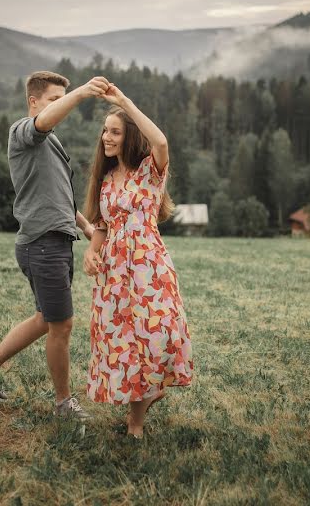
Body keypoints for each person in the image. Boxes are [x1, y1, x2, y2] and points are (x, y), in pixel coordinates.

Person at [0, 71, 109, 421]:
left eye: (62, 98)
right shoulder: (23, 132)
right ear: (34, 102)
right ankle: (63, 405)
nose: (59, 105)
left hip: (55, 241)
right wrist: (83, 93)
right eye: (53, 99)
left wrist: (86, 226)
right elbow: (42, 124)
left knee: (47, 319)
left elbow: (55, 194)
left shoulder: (51, 142)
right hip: (43, 245)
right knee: (62, 325)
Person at [82, 84, 193, 438]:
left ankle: (148, 398)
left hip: (149, 268)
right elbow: (101, 225)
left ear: (129, 135)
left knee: (157, 337)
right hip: (114, 274)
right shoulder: (106, 180)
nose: (106, 138)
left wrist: (124, 103)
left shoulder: (150, 171)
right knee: (126, 346)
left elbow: (160, 142)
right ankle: (136, 424)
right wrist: (91, 251)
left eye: (114, 132)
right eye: (104, 132)